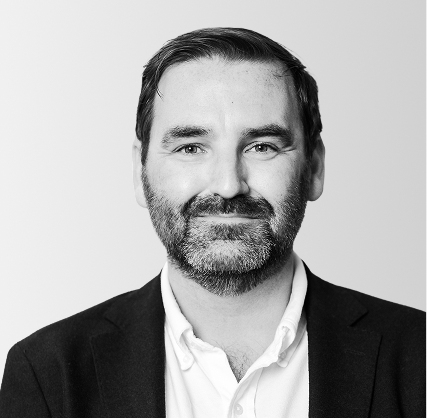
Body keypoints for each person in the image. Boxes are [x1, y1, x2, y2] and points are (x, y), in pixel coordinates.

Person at [0, 27, 425, 417]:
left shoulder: (418, 357)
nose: (228, 185)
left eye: (262, 146)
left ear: (314, 168)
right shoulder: (47, 375)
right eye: (190, 147)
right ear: (139, 171)